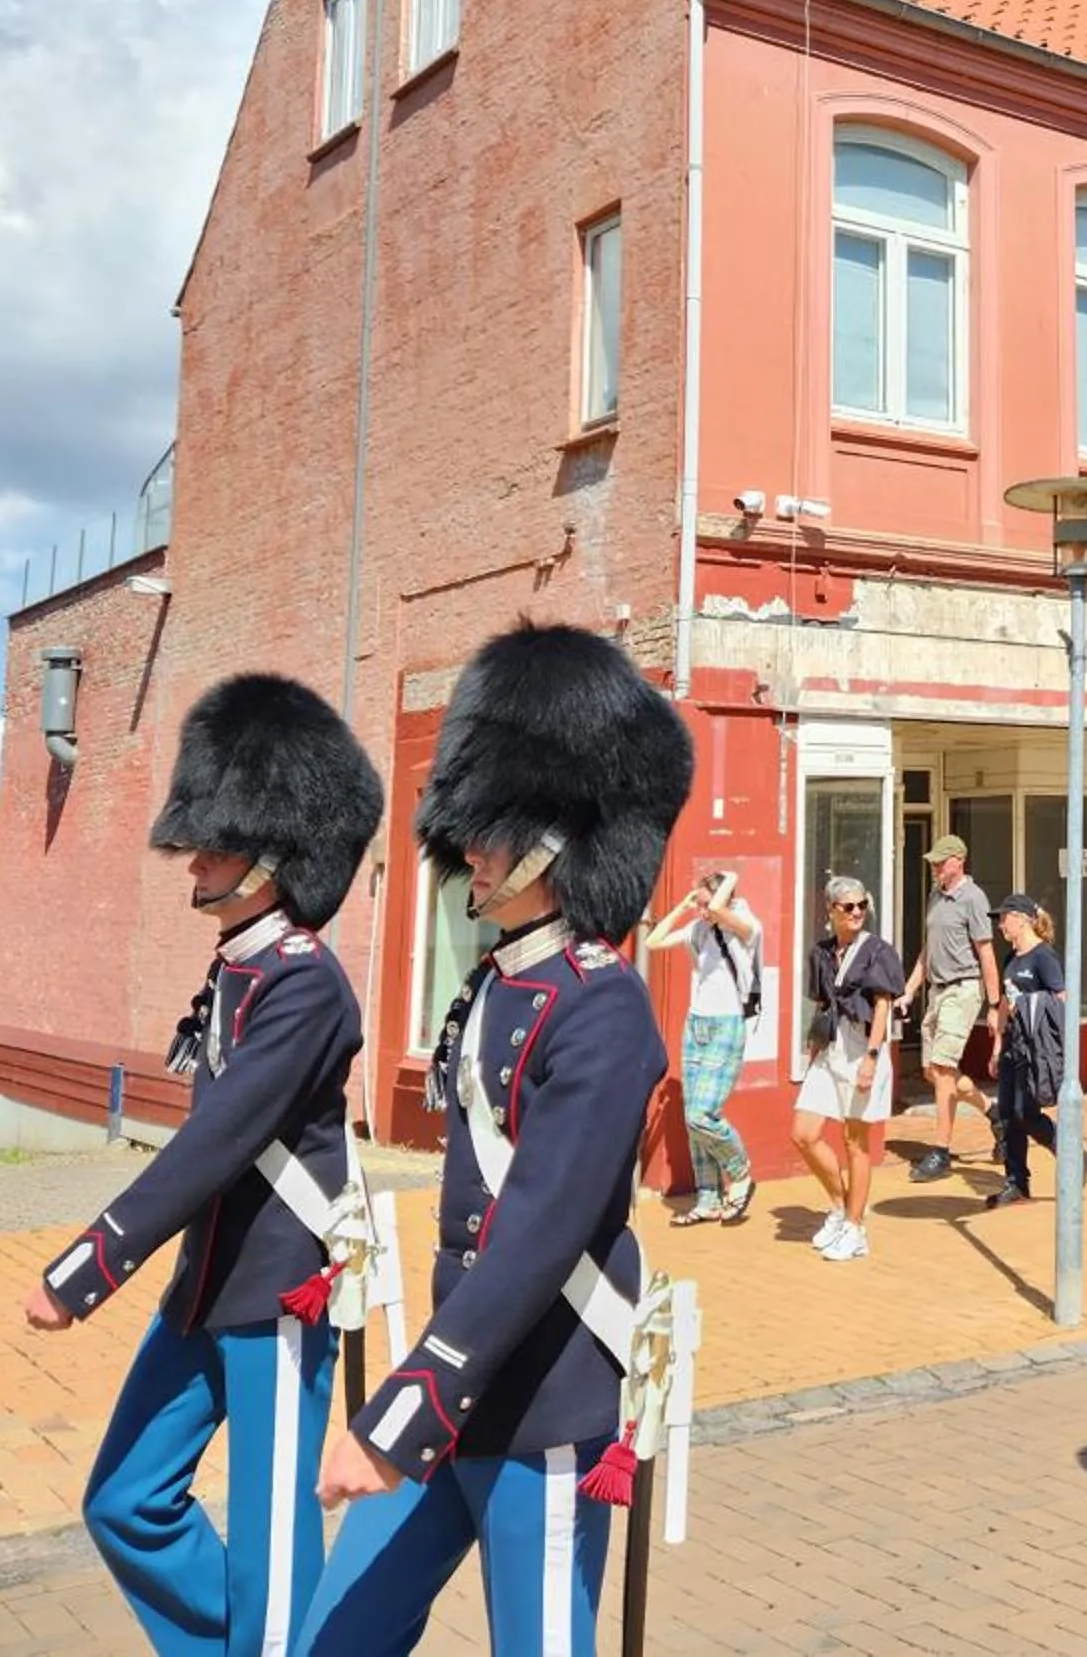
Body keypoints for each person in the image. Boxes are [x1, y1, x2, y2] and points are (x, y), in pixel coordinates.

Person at [299, 622, 691, 1656]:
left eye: (493, 824)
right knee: (336, 1634)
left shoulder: (604, 1008)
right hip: (460, 1376)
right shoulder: (495, 983)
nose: (469, 845)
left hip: (543, 1391)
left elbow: (540, 1229)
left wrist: (403, 1411)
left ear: (557, 836)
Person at [26, 673, 383, 1657]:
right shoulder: (238, 967)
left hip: (276, 1295)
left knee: (275, 1559)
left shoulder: (308, 986)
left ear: (274, 856)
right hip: (204, 1286)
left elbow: (216, 1141)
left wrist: (87, 1265)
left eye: (221, 841)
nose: (201, 857)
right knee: (125, 1501)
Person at [792, 876, 904, 1261]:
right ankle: (840, 1206)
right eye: (848, 907)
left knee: (855, 1142)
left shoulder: (877, 951)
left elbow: (884, 1006)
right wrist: (812, 1047)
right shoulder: (821, 952)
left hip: (861, 1049)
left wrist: (871, 1059)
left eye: (861, 905)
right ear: (831, 911)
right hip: (830, 1049)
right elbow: (822, 1003)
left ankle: (856, 1229)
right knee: (804, 1133)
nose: (857, 912)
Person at [646, 869, 763, 1227]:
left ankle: (740, 1171)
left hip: (727, 1024)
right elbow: (652, 941)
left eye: (703, 902)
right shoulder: (698, 929)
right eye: (697, 904)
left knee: (702, 1114)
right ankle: (708, 1199)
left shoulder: (745, 924)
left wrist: (727, 880)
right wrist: (683, 905)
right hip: (696, 1024)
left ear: (723, 898)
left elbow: (718, 905)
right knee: (691, 1119)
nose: (701, 909)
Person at [902, 835, 1002, 1183]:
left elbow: (986, 952)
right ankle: (995, 1113)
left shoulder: (973, 898)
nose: (935, 868)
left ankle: (941, 1151)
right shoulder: (935, 896)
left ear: (959, 860)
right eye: (933, 862)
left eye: (941, 862)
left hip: (963, 988)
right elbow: (928, 951)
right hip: (937, 991)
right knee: (932, 1071)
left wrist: (994, 1005)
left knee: (943, 1069)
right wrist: (910, 989)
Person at [987, 894, 1066, 1207]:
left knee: (1025, 1113)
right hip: (1012, 1046)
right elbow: (1005, 1004)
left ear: (1021, 919)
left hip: (1036, 1049)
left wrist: (1032, 1006)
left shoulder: (1043, 957)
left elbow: (1061, 1000)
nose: (1001, 926)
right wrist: (996, 1046)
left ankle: (1071, 1153)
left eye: (1004, 919)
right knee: (1007, 1116)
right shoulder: (1011, 959)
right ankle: (1016, 1183)